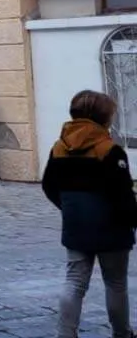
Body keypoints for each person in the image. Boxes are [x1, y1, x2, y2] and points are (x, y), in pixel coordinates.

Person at [42, 89, 137, 338]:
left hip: (76, 226)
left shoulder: (58, 149)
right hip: (112, 228)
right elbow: (123, 195)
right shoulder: (109, 150)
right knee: (115, 284)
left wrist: (69, 208)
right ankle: (122, 333)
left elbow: (48, 186)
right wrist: (132, 220)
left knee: (74, 282)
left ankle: (65, 333)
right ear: (102, 118)